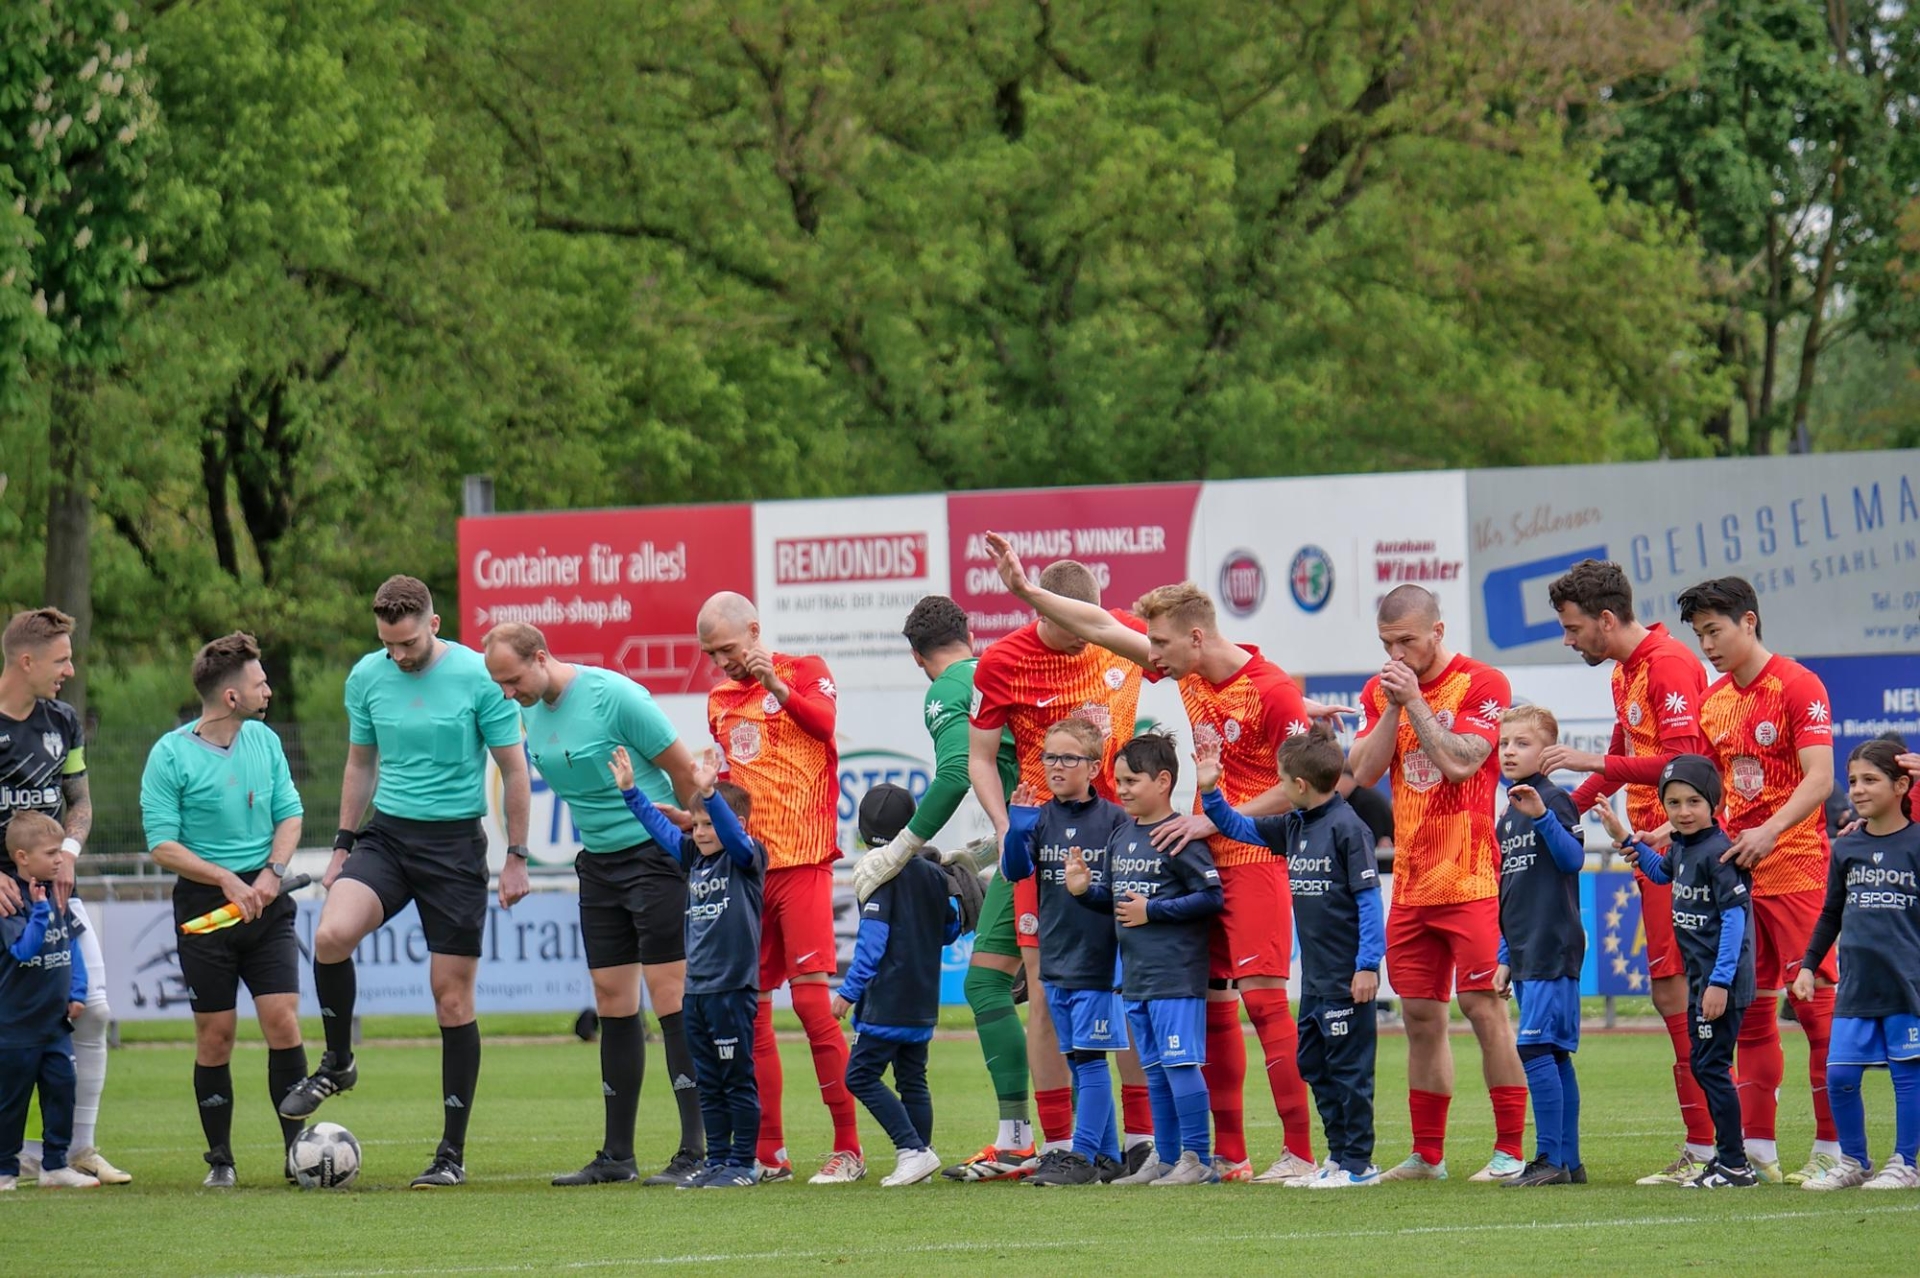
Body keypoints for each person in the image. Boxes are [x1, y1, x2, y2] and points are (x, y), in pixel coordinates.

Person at [986, 535, 1334, 1185]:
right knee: (1208, 1009)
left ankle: (1300, 1151)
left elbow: (1307, 781)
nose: (1152, 658)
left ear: (1196, 637)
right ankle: (1225, 1156)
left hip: (1252, 857)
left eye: (1161, 647)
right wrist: (1026, 592)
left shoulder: (1271, 690)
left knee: (1263, 1003)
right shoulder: (1193, 671)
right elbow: (1096, 623)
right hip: (1198, 856)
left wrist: (1217, 816)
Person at [280, 576, 533, 1190]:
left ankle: (450, 1154)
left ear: (434, 625)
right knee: (331, 935)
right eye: (389, 644)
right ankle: (338, 1062)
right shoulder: (366, 677)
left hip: (453, 848)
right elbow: (360, 763)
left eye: (409, 643)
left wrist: (517, 855)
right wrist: (342, 844)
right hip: (388, 837)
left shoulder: (480, 677)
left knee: (451, 999)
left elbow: (514, 770)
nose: (399, 655)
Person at [481, 622, 708, 1187]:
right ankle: (617, 1157)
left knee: (670, 995)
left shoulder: (617, 697)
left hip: (655, 857)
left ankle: (696, 1152)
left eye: (513, 681)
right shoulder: (528, 709)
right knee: (611, 999)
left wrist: (698, 850)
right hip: (599, 865)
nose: (509, 694)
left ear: (541, 657)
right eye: (501, 686)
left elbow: (684, 774)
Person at [954, 557, 1155, 1177]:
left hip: (1121, 839)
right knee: (1043, 991)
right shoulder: (1002, 662)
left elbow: (1208, 667)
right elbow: (980, 758)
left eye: (1091, 627)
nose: (1086, 640)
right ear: (1043, 612)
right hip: (1044, 848)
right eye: (1073, 630)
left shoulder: (1118, 633)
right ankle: (1061, 1141)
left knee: (1129, 988)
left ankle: (1142, 1140)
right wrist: (1001, 825)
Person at [1542, 557, 1717, 1185]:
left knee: (1699, 993)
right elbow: (1622, 754)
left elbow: (1685, 763)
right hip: (1652, 854)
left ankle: (1720, 1145)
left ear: (1606, 619)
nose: (1568, 639)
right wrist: (1564, 807)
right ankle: (1708, 1143)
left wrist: (1590, 766)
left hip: (1683, 854)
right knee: (1671, 990)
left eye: (1571, 627)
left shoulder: (1669, 664)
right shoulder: (1627, 672)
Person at [1344, 584, 1527, 1182]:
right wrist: (1395, 704)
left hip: (1471, 878)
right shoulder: (1382, 691)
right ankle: (1428, 1155)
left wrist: (1416, 701)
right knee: (1421, 1018)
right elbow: (1366, 772)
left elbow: (1460, 761)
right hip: (1415, 882)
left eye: (1407, 641)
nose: (1397, 653)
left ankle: (1508, 1152)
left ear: (1438, 633)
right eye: (1386, 644)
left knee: (1483, 1009)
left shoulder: (1483, 683)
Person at [850, 596, 1037, 1175]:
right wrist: (980, 850)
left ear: (916, 656)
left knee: (988, 987)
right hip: (1046, 836)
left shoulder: (947, 687)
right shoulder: (999, 671)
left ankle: (1022, 1141)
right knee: (1068, 993)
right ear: (969, 633)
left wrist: (901, 850)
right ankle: (1102, 1138)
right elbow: (1018, 774)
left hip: (1032, 850)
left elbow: (959, 772)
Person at [698, 591, 861, 1184]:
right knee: (753, 1012)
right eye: (712, 655)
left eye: (728, 649)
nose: (723, 663)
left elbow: (822, 726)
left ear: (755, 631)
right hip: (749, 873)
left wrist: (777, 685)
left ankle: (849, 1146)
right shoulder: (718, 701)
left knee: (814, 1003)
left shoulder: (807, 672)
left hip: (804, 862)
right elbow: (732, 782)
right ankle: (770, 1151)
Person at [1681, 576, 1838, 1184]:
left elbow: (1820, 778)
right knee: (1749, 1017)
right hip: (1738, 879)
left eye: (1715, 631)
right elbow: (1715, 794)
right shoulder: (1715, 701)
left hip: (1795, 867)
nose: (1708, 646)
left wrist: (1769, 831)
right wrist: (1682, 832)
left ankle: (1835, 1148)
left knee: (1819, 1011)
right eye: (1699, 636)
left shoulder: (1799, 686)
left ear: (1749, 622)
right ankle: (1758, 1152)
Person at [140, 633, 308, 1188]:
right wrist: (224, 880)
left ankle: (298, 1155)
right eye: (259, 682)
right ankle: (221, 1161)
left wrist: (269, 876)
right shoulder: (169, 754)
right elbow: (162, 844)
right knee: (216, 1035)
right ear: (231, 697)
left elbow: (289, 817)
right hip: (204, 909)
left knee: (282, 1022)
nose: (268, 689)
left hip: (267, 902)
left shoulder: (264, 740)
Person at [1199, 727, 1385, 1189]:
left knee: (1349, 1073)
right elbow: (1237, 827)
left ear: (1299, 785)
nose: (1278, 789)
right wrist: (1210, 790)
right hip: (1317, 982)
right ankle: (1337, 1158)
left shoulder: (1348, 828)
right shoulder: (1296, 825)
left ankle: (1358, 1165)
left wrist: (1367, 965)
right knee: (1315, 1066)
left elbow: (1368, 901)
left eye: (1281, 781)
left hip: (1347, 978)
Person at [0, 607, 125, 1185]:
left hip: (52, 893)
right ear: (25, 661)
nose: (70, 670)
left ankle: (76, 1149)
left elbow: (80, 801)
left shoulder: (63, 720)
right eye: (60, 660)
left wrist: (68, 853)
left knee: (92, 1007)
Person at [1066, 733, 1224, 1186]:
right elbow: (1119, 902)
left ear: (1163, 781)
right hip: (1137, 977)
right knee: (1154, 1073)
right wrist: (1085, 892)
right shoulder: (1121, 837)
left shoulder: (1180, 835)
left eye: (1132, 780)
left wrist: (1152, 911)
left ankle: (1198, 1159)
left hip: (1175, 975)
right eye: (1118, 781)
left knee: (1179, 1065)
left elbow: (1211, 897)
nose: (1124, 789)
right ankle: (1168, 1158)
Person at [1598, 756, 1758, 1189]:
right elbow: (1658, 871)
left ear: (1713, 803)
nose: (1683, 811)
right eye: (1673, 803)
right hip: (1701, 979)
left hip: (1719, 983)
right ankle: (1727, 1159)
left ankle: (1735, 1165)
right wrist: (1624, 837)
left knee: (1711, 1067)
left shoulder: (1719, 853)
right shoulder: (1685, 846)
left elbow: (1736, 920)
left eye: (1693, 801)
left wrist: (1720, 982)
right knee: (1706, 1065)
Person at [613, 745, 767, 1190]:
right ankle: (717, 1160)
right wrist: (631, 794)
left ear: (734, 824)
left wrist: (710, 794)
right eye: (696, 824)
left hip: (732, 988)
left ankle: (743, 1163)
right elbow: (662, 831)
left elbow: (734, 838)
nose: (699, 833)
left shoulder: (747, 857)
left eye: (708, 824)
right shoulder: (695, 860)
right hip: (696, 991)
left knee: (736, 1078)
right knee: (710, 1083)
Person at [1001, 719, 1132, 1186]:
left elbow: (1126, 885)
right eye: (1050, 758)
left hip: (1097, 960)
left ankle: (1078, 1158)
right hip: (1056, 957)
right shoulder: (1042, 819)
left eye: (1068, 758)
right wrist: (1016, 828)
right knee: (1079, 1059)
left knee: (1092, 1059)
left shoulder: (1115, 820)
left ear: (1094, 767)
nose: (1056, 767)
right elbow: (1017, 870)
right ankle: (1109, 1157)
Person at [1794, 735, 1920, 1190]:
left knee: (1907, 1077)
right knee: (1841, 1074)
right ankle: (1854, 1161)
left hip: (1907, 984)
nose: (1858, 789)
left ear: (1902, 786)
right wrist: (1809, 964)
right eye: (1852, 780)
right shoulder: (1845, 848)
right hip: (1857, 984)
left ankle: (1906, 1163)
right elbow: (1831, 911)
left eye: (1871, 779)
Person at [835, 791, 965, 1188]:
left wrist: (847, 993)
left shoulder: (879, 875)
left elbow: (872, 946)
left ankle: (912, 1150)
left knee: (859, 1076)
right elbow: (949, 930)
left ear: (863, 830)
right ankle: (919, 1158)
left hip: (887, 1001)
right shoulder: (932, 873)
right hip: (923, 998)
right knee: (912, 1079)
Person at [1493, 705, 1587, 1188]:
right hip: (1526, 952)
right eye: (1505, 742)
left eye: (1522, 743)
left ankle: (1549, 1158)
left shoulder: (1554, 801)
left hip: (1552, 946)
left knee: (1533, 1050)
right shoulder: (1508, 812)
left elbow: (1572, 861)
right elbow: (1511, 889)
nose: (1509, 750)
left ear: (1546, 752)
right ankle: (1568, 1163)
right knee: (1553, 1053)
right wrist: (1505, 956)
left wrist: (1545, 816)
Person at [0, 812, 93, 1190]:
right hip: (16, 1026)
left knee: (62, 1090)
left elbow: (72, 946)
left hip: (55, 1024)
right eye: (51, 852)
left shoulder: (58, 893)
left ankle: (54, 1165)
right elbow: (23, 950)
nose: (60, 859)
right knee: (11, 1102)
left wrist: (77, 991)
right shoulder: (11, 902)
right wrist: (39, 911)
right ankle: (5, 1169)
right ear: (22, 857)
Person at [1339, 766, 1395, 856]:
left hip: (1381, 855)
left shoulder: (1366, 801)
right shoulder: (1356, 799)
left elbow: (1372, 835)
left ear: (1348, 779)